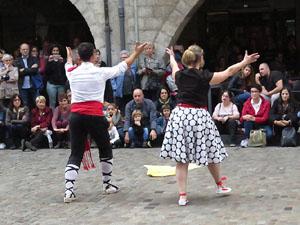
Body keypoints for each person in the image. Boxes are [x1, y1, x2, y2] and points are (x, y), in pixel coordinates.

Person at [160, 45, 259, 206]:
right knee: (212, 151)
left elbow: (173, 66)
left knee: (181, 158)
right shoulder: (205, 76)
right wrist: (244, 62)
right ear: (200, 59)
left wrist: (171, 55)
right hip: (199, 116)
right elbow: (228, 72)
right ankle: (219, 185)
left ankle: (182, 196)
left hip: (180, 115)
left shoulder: (179, 75)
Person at [63, 41, 146, 203]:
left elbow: (67, 65)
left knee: (76, 152)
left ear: (79, 57)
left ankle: (69, 190)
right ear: (94, 56)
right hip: (94, 116)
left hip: (76, 117)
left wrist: (69, 57)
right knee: (105, 148)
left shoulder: (72, 72)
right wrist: (135, 53)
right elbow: (123, 66)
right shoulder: (100, 72)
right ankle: (107, 184)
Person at [111, 50, 137, 114]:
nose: (124, 59)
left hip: (130, 91)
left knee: (130, 108)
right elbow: (112, 78)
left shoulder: (133, 67)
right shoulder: (117, 67)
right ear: (120, 59)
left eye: (126, 57)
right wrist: (115, 87)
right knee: (120, 109)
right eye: (123, 57)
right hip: (120, 91)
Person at [14, 43, 40, 110]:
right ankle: (26, 119)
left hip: (33, 85)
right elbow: (19, 73)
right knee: (25, 104)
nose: (25, 51)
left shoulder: (34, 59)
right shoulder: (17, 61)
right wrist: (30, 69)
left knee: (37, 102)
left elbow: (35, 70)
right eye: (23, 49)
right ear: (20, 50)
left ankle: (36, 119)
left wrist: (24, 70)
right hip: (22, 86)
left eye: (27, 49)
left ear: (29, 50)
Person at [45, 45, 67, 112]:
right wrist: (49, 62)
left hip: (61, 84)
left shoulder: (63, 60)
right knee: (52, 102)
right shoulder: (48, 60)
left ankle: (62, 117)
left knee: (62, 102)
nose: (55, 52)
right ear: (51, 52)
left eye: (57, 50)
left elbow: (66, 72)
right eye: (54, 50)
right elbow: (46, 72)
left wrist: (63, 63)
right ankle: (53, 118)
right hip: (52, 84)